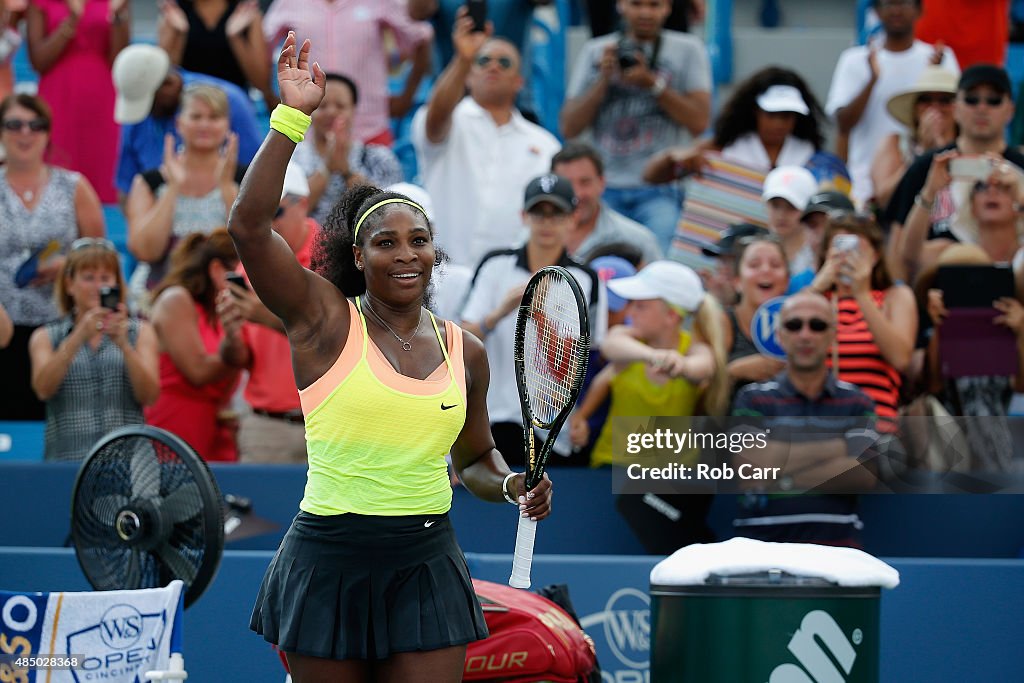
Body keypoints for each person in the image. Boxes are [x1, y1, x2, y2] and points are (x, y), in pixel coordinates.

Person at [236, 33, 550, 681]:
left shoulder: (465, 349)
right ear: (357, 254)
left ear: (436, 252)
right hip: (327, 558)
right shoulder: (323, 318)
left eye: (420, 240)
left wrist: (512, 483)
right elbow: (247, 226)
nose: (405, 252)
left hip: (428, 558)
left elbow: (474, 458)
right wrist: (293, 117)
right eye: (386, 241)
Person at [570, 260, 727, 553]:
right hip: (610, 473)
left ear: (670, 315)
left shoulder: (696, 349)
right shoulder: (627, 341)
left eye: (641, 306)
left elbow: (702, 367)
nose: (630, 312)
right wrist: (657, 357)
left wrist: (682, 364)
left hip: (671, 482)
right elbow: (612, 347)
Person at [460, 173, 605, 467]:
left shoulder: (585, 279)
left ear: (572, 219)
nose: (547, 223)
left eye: (557, 214)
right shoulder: (494, 264)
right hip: (493, 416)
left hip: (552, 427)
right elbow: (462, 344)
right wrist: (500, 312)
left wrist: (536, 313)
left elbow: (577, 362)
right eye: (539, 213)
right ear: (524, 216)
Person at [412, 10, 560, 268]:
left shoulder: (546, 144)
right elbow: (434, 121)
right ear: (469, 75)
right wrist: (463, 58)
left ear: (518, 82)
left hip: (510, 277)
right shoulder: (450, 119)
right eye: (483, 61)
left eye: (504, 63)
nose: (493, 66)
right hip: (442, 271)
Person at [561, 0, 712, 252]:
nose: (645, 12)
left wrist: (652, 83)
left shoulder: (688, 49)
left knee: (661, 269)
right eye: (636, 3)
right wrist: (603, 80)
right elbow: (569, 127)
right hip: (605, 191)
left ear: (668, 8)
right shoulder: (596, 50)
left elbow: (700, 122)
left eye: (654, 5)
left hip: (660, 190)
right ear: (620, 5)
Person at [732, 291, 879, 546]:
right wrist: (838, 447)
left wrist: (781, 476)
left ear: (833, 335)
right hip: (760, 549)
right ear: (779, 335)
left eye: (818, 325)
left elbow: (863, 476)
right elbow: (751, 472)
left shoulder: (858, 402)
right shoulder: (752, 398)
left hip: (838, 550)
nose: (805, 334)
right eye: (794, 324)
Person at [0, 93, 105, 421]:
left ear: (48, 132)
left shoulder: (73, 186)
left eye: (36, 125)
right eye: (15, 124)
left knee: (62, 423)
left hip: (61, 326)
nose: (25, 133)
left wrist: (65, 265)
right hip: (3, 324)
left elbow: (100, 255)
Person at [887, 64, 1024, 282]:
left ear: (1011, 110)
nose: (982, 108)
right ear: (956, 107)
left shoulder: (1021, 168)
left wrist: (1020, 195)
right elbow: (899, 249)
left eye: (993, 100)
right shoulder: (928, 166)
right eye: (971, 99)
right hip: (936, 294)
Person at [28, 238, 159, 462]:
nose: (98, 287)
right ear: (69, 284)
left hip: (127, 465)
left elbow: (150, 395)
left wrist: (125, 346)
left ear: (117, 284)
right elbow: (43, 389)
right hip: (67, 462)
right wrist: (78, 336)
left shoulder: (140, 332)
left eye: (105, 278)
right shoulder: (46, 336)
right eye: (88, 278)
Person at [220, 161, 317, 464]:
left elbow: (335, 339)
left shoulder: (336, 258)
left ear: (302, 204)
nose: (268, 224)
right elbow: (239, 359)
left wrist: (263, 315)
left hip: (329, 425)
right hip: (266, 427)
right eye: (259, 215)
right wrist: (232, 334)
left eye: (274, 213)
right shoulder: (248, 265)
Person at [825, 0, 958, 206]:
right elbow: (843, 124)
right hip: (863, 187)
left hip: (928, 178)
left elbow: (957, 120)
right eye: (888, 3)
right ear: (877, 11)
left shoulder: (940, 58)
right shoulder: (855, 59)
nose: (896, 10)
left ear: (919, 10)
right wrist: (872, 80)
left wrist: (934, 76)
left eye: (904, 3)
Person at [125, 84, 242, 294]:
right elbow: (145, 250)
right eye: (196, 117)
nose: (204, 124)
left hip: (224, 295)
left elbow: (249, 248)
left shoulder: (243, 179)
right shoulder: (149, 182)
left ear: (227, 125)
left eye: (214, 117)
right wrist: (173, 189)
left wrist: (226, 188)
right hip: (159, 294)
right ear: (179, 123)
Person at [263, 0, 432, 146]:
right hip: (307, 135)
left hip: (370, 130)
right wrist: (269, 96)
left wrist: (406, 98)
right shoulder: (289, 3)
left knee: (375, 184)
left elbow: (420, 36)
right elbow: (262, 46)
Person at [145, 229, 250, 462]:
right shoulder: (176, 300)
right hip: (178, 422)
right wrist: (237, 356)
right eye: (240, 274)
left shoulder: (220, 311)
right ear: (216, 270)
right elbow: (198, 371)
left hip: (217, 422)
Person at [918, 244, 1024, 471]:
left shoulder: (1004, 329)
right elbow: (933, 384)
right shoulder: (932, 329)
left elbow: (1020, 385)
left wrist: (1021, 330)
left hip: (999, 450)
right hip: (949, 450)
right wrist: (939, 326)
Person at [808, 214, 917, 433]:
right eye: (839, 249)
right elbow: (782, 348)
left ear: (875, 256)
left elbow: (900, 358)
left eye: (856, 250)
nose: (847, 257)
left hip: (875, 430)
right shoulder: (813, 302)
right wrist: (816, 288)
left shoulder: (893, 298)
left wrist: (862, 295)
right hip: (817, 431)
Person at [112, 43, 263, 196]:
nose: (144, 113)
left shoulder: (230, 102)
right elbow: (126, 187)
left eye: (148, 103)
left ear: (168, 84)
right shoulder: (138, 111)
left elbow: (257, 177)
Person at [644, 66, 826, 183]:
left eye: (786, 116)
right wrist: (671, 157)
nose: (778, 123)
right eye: (771, 114)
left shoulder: (810, 154)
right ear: (755, 111)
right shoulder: (723, 146)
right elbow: (650, 176)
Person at [26, 0, 130, 203]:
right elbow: (38, 61)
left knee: (104, 170)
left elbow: (119, 60)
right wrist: (72, 21)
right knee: (56, 169)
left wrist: (118, 16)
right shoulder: (40, 3)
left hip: (102, 97)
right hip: (57, 96)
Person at [292, 73, 403, 226]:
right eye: (322, 106)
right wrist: (326, 169)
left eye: (340, 106)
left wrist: (347, 172)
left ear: (353, 110)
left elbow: (390, 214)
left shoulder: (379, 157)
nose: (331, 112)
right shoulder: (293, 158)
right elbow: (288, 215)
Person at [551, 141, 662, 264]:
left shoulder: (639, 241)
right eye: (567, 184)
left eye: (585, 182)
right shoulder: (529, 235)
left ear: (602, 183)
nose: (577, 194)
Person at [158, 0, 276, 108]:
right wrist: (180, 35)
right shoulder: (173, 12)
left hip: (233, 106)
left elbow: (262, 84)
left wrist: (235, 38)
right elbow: (164, 80)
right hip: (189, 108)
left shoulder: (246, 13)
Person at [871, 65, 958, 210]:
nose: (935, 107)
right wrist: (921, 154)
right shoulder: (895, 143)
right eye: (926, 100)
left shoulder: (968, 146)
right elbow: (885, 199)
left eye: (945, 100)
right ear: (915, 108)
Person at [720, 235, 788, 401]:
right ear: (737, 281)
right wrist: (734, 371)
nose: (765, 270)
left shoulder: (803, 324)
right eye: (754, 264)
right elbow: (698, 392)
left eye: (775, 265)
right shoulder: (722, 322)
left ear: (787, 281)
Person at [761, 165, 819, 292]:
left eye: (791, 207)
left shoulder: (818, 252)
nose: (781, 215)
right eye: (775, 206)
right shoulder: (756, 247)